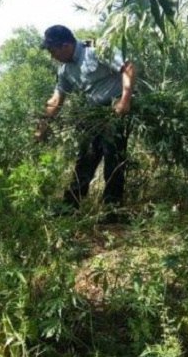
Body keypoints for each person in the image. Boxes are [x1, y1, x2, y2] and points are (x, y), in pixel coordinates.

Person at [38, 25, 136, 217]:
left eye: (52, 50)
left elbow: (128, 68)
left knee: (113, 157)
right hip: (94, 115)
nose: (52, 56)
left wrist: (125, 100)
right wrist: (42, 127)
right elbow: (56, 99)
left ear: (65, 45)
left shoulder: (96, 50)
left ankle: (112, 210)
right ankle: (69, 207)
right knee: (85, 158)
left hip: (115, 111)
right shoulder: (65, 70)